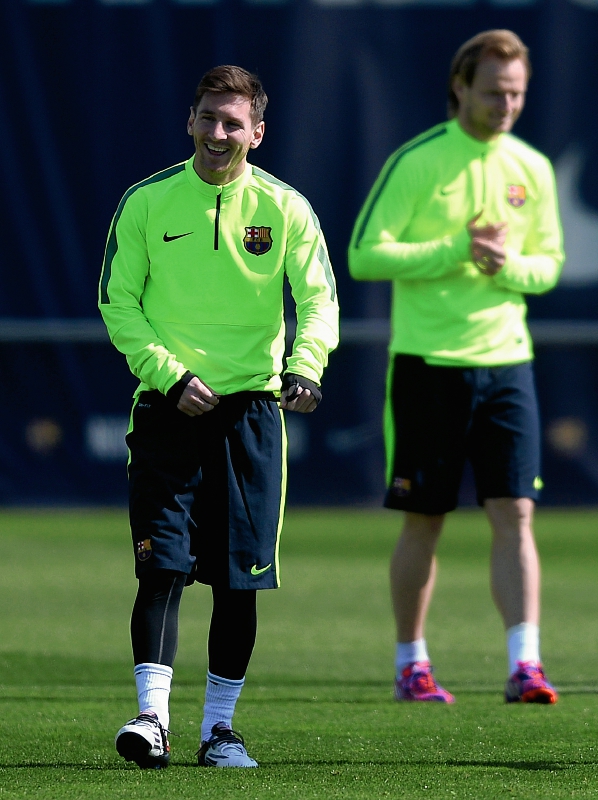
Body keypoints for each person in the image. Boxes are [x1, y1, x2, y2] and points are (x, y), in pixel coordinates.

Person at [99, 65, 340, 769]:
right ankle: (152, 721)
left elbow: (319, 299)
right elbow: (118, 303)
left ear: (257, 134)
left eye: (233, 122)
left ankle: (220, 732)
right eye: (208, 117)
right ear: (190, 121)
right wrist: (170, 377)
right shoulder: (146, 202)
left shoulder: (286, 207)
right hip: (167, 410)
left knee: (239, 582)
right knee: (162, 570)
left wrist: (306, 367)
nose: (218, 133)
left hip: (252, 417)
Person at [348, 30, 563, 706]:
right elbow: (364, 254)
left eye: (517, 93)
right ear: (460, 88)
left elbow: (549, 266)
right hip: (428, 366)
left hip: (507, 365)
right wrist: (453, 250)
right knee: (424, 520)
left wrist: (508, 266)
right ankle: (412, 662)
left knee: (516, 513)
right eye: (495, 91)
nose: (506, 104)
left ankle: (524, 663)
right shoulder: (418, 160)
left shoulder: (533, 166)